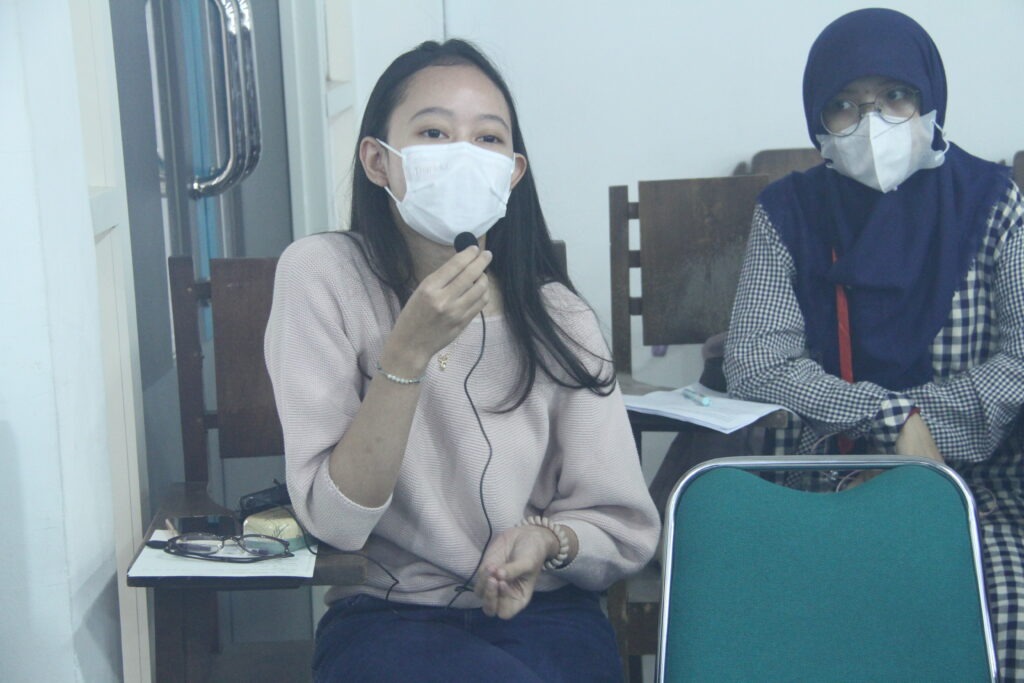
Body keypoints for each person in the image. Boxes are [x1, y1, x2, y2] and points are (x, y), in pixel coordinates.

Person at [264, 39, 660, 682]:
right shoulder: (322, 275)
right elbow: (335, 521)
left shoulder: (558, 316)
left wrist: (545, 541)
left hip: (547, 613)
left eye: (487, 139)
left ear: (513, 172)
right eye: (433, 132)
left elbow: (622, 526)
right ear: (378, 160)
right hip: (388, 618)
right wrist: (408, 352)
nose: (462, 155)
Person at [724, 8, 1024, 678]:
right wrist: (894, 418)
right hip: (823, 480)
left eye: (895, 96)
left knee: (999, 626)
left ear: (929, 98)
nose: (873, 122)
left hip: (972, 487)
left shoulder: (991, 201)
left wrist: (923, 433)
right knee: (803, 636)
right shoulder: (788, 211)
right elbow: (757, 364)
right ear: (818, 120)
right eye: (845, 105)